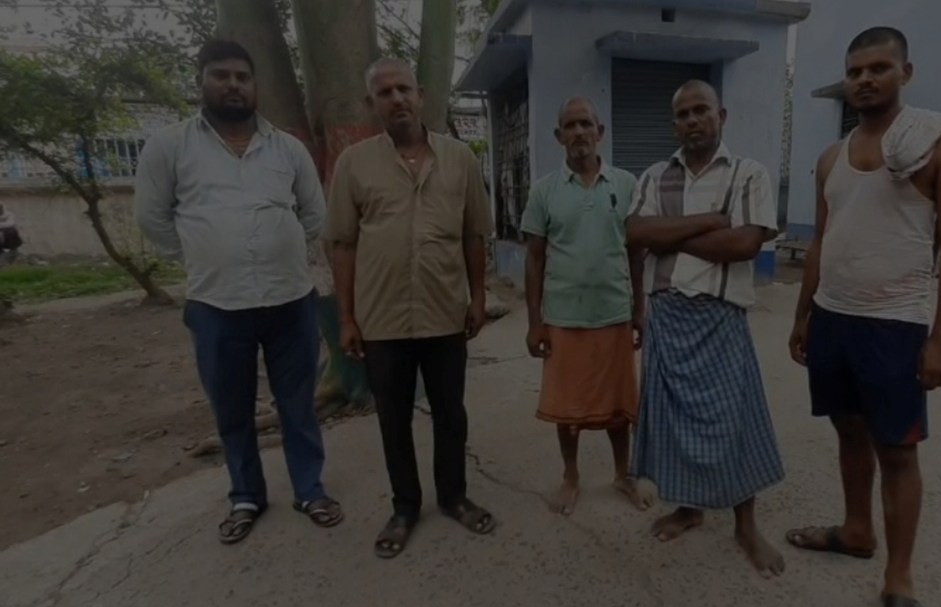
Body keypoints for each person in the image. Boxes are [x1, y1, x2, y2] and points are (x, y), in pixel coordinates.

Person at [786, 27, 941, 607]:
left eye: (878, 68)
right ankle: (855, 529)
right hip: (835, 319)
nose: (865, 79)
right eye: (855, 70)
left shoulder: (940, 146)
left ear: (905, 73)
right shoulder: (829, 158)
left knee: (897, 449)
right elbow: (823, 239)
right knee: (847, 432)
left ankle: (899, 580)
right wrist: (803, 314)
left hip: (895, 325)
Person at [134, 40, 343, 545]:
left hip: (290, 299)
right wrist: (206, 254)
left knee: (297, 403)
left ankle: (309, 488)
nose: (232, 85)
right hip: (216, 306)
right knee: (231, 408)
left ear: (254, 85)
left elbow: (315, 214)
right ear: (201, 80)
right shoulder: (171, 145)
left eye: (241, 77)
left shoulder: (286, 148)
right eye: (220, 75)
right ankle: (246, 494)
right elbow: (153, 219)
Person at [324, 58, 495, 559]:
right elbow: (343, 244)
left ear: (420, 94)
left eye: (403, 89)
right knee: (393, 418)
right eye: (384, 92)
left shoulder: (460, 159)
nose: (396, 99)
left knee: (450, 413)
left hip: (444, 312)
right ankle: (404, 507)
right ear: (371, 103)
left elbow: (474, 234)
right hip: (383, 319)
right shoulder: (354, 164)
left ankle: (455, 496)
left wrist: (479, 295)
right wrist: (347, 317)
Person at [626, 80, 787, 578]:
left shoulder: (749, 174)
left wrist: (669, 236)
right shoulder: (654, 176)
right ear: (674, 122)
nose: (692, 120)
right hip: (668, 316)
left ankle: (745, 524)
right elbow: (634, 233)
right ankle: (690, 509)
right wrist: (710, 222)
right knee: (674, 427)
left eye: (701, 111)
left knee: (733, 423)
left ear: (722, 114)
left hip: (720, 319)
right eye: (682, 114)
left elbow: (744, 246)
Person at [521, 96, 652, 516]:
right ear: (558, 137)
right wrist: (534, 322)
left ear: (601, 132)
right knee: (568, 409)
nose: (579, 132)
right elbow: (535, 259)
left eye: (586, 124)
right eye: (570, 125)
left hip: (613, 313)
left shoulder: (627, 185)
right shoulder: (544, 190)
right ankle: (571, 478)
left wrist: (638, 311)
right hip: (563, 318)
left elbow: (636, 254)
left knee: (618, 408)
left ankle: (622, 474)